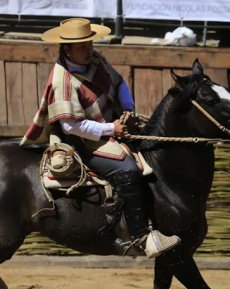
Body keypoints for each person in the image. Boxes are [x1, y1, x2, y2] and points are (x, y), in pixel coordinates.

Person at [20, 18, 179, 258]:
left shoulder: (95, 59)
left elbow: (119, 82)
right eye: (82, 46)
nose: (89, 49)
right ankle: (140, 237)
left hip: (110, 125)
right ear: (67, 48)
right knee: (127, 169)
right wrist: (111, 130)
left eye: (89, 43)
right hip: (79, 139)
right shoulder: (62, 80)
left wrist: (127, 107)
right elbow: (70, 125)